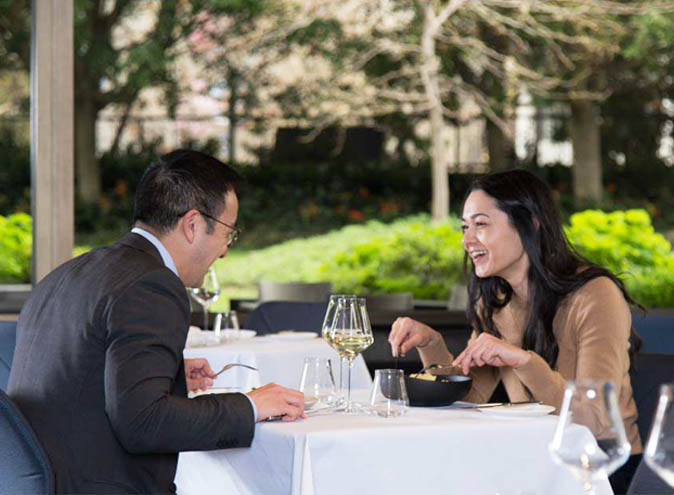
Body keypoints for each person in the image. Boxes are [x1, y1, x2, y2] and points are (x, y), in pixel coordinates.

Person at [8, 149, 305, 494]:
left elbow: (79, 375)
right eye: (228, 233)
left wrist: (170, 373)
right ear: (193, 225)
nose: (225, 251)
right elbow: (144, 423)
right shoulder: (152, 285)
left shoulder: (68, 273)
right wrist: (251, 405)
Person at [388, 169, 642, 494]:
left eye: (480, 224)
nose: (467, 240)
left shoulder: (595, 295)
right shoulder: (496, 302)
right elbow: (471, 395)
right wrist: (431, 344)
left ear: (530, 223)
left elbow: (594, 420)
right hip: (531, 460)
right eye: (465, 227)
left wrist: (524, 362)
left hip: (600, 469)